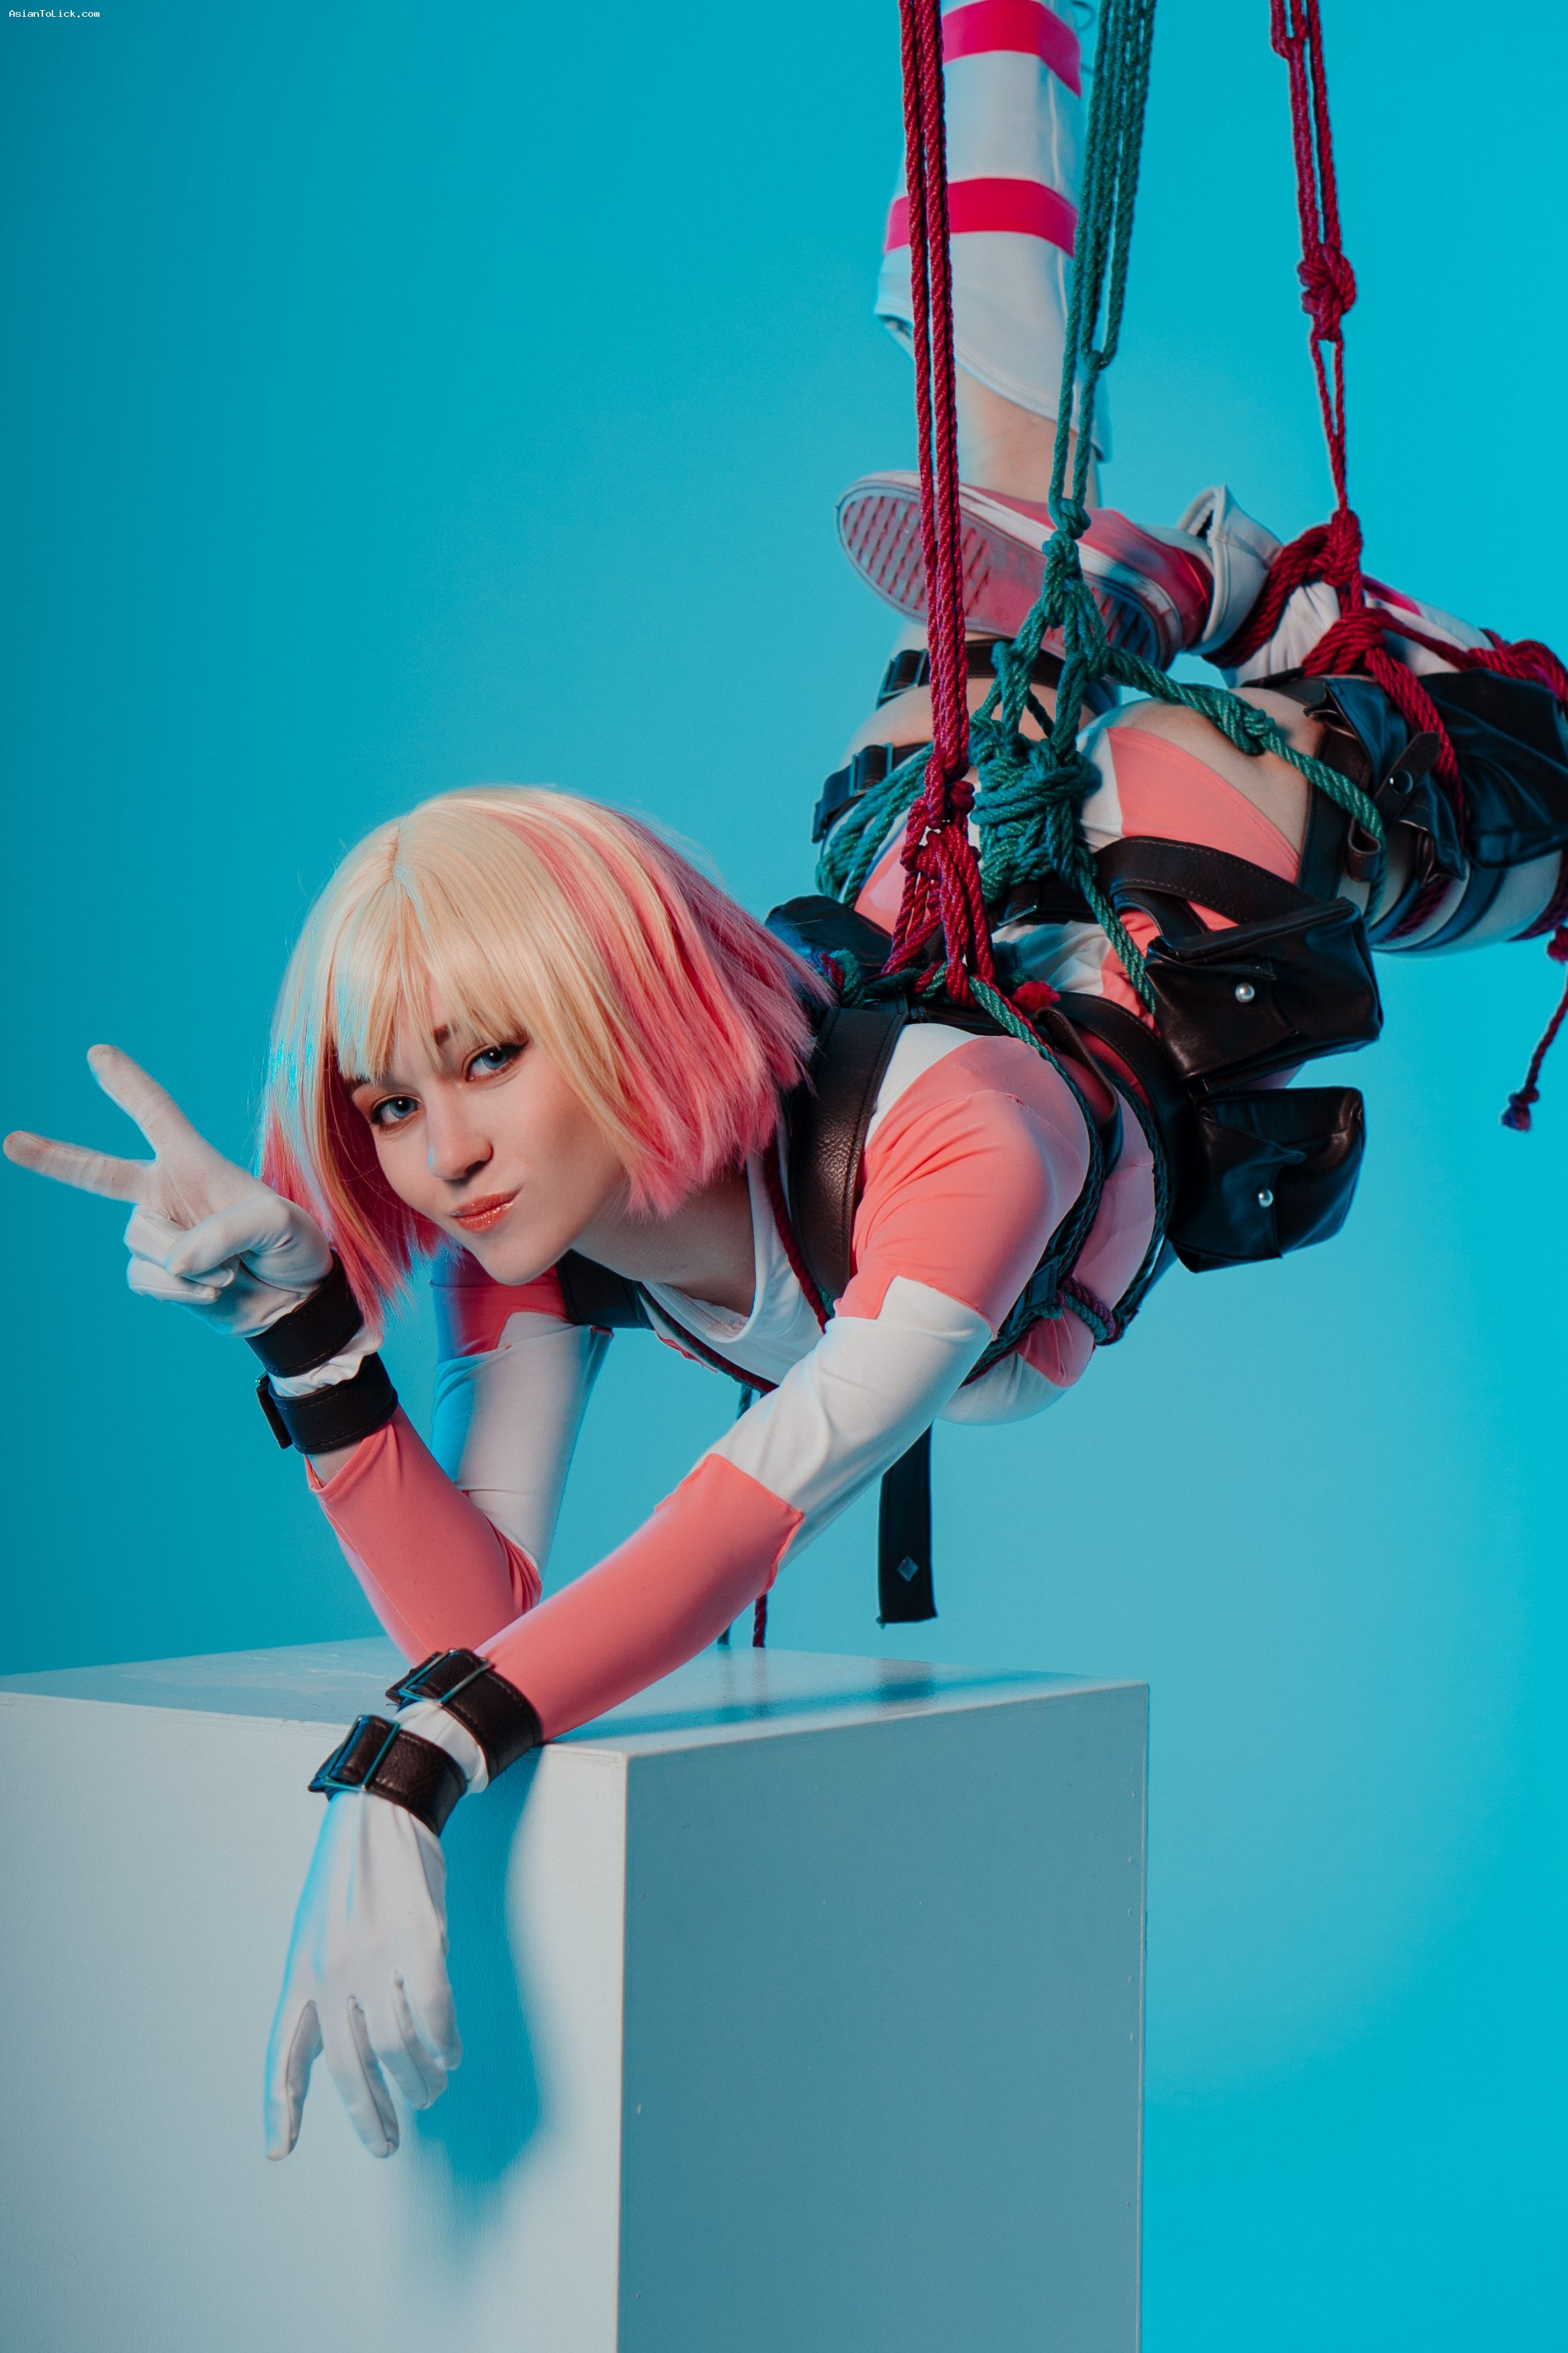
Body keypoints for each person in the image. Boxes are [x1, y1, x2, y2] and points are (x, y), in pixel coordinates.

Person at [4, 0, 1563, 2165]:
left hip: (1101, 984)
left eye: (484, 1060)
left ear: (611, 1004)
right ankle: (1103, 496)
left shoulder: (965, 1148)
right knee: (964, 694)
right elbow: (500, 1623)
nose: (438, 1150)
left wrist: (411, 1765)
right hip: (942, 926)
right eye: (388, 1101)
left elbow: (744, 1509)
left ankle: (1229, 599)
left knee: (1224, 802)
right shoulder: (533, 1235)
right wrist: (307, 1336)